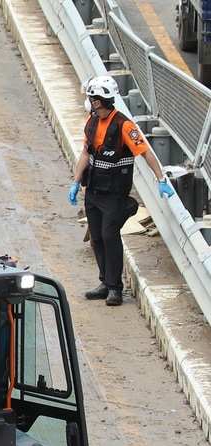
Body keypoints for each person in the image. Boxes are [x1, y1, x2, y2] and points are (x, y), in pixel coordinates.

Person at [69, 74, 174, 307]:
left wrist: (160, 178)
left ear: (100, 100)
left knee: (109, 236)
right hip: (94, 192)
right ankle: (105, 282)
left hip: (114, 196)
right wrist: (76, 183)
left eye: (93, 97)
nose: (90, 101)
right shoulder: (92, 121)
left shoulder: (124, 126)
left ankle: (115, 288)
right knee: (96, 237)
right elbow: (86, 153)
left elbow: (146, 152)